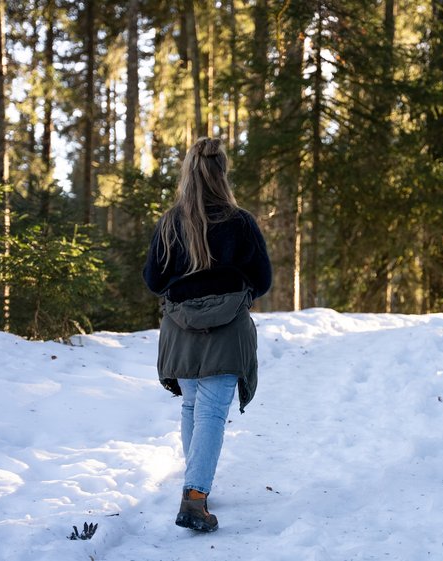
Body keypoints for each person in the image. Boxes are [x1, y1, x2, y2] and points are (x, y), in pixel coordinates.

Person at [143, 137, 272, 532]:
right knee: (211, 412)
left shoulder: (170, 223)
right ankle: (195, 496)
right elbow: (263, 279)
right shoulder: (240, 222)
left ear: (189, 173)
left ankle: (195, 488)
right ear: (222, 173)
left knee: (192, 407)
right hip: (227, 329)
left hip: (180, 328)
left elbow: (153, 279)